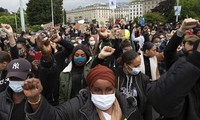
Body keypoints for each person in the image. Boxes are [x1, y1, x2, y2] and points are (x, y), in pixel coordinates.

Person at [23, 65, 143, 120]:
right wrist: (35, 99)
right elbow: (54, 116)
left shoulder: (128, 106)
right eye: (97, 90)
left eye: (108, 89)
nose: (103, 95)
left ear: (114, 88)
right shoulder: (78, 106)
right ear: (90, 88)